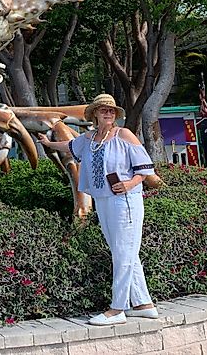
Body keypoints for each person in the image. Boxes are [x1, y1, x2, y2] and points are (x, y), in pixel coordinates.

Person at [38, 93, 158, 326]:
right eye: (103, 110)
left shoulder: (124, 135)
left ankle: (117, 308)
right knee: (123, 252)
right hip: (103, 200)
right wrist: (48, 143)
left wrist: (130, 183)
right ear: (94, 114)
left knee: (123, 252)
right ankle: (144, 304)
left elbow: (145, 167)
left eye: (111, 110)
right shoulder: (89, 139)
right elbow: (69, 146)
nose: (108, 113)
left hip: (125, 202)